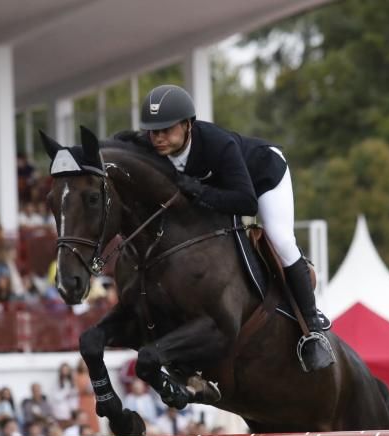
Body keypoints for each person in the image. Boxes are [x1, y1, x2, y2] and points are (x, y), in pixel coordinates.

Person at [129, 84, 333, 372]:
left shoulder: (217, 144)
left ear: (188, 125)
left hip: (262, 177)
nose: (158, 138)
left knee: (280, 238)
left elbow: (247, 203)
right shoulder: (151, 145)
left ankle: (313, 328)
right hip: (222, 190)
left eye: (166, 129)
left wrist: (199, 191)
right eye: (153, 131)